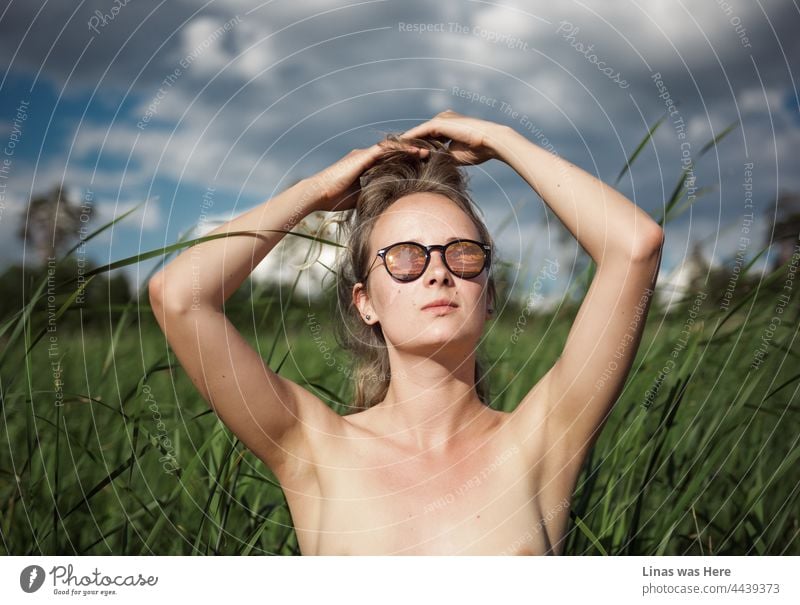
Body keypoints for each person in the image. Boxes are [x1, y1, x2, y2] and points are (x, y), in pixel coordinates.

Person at [148, 110, 664, 555]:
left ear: (488, 295)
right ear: (365, 302)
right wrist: (313, 193)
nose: (437, 272)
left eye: (462, 254)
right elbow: (178, 296)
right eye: (404, 258)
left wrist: (501, 139)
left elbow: (635, 245)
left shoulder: (542, 440)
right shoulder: (315, 448)